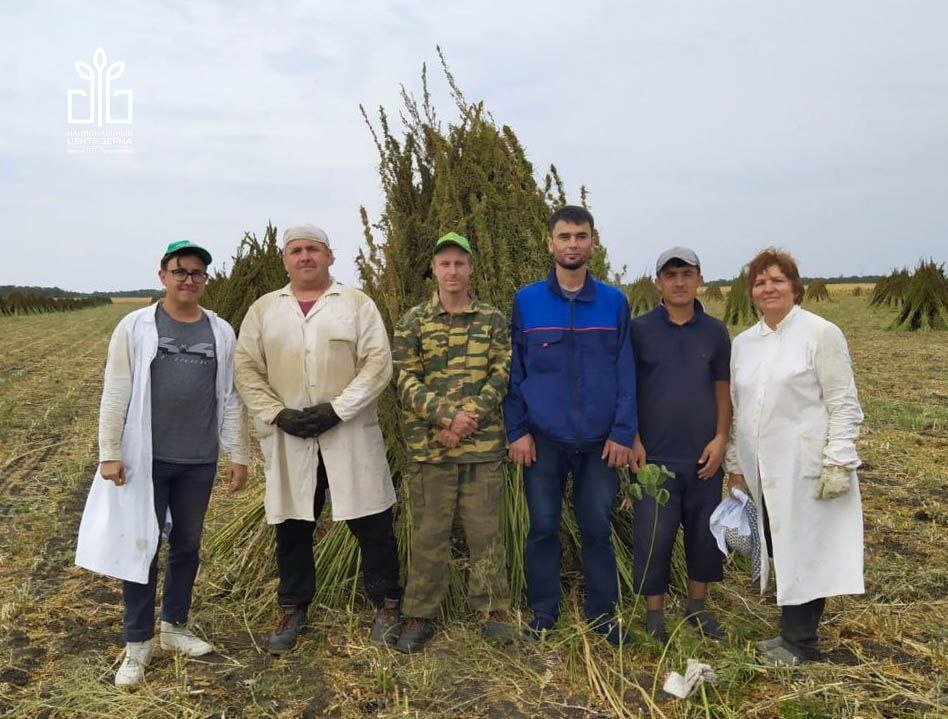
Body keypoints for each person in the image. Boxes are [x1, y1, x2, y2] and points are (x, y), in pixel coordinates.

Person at [75, 240, 250, 687]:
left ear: (205, 280)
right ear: (163, 276)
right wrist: (109, 452)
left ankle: (174, 627)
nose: (188, 279)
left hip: (198, 461)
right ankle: (137, 644)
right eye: (180, 271)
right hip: (146, 460)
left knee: (187, 546)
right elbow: (116, 389)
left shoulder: (220, 331)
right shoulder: (136, 326)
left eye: (197, 273)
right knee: (143, 547)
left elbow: (230, 396)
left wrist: (238, 454)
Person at [234, 223, 402, 654]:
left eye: (313, 249)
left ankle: (386, 603)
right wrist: (278, 414)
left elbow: (378, 363)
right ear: (285, 260)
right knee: (292, 525)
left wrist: (337, 409)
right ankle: (293, 607)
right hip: (290, 437)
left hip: (348, 433)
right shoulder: (264, 310)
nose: (305, 256)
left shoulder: (356, 304)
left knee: (372, 522)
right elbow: (246, 368)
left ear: (329, 256)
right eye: (296, 250)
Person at [725, 247, 865, 665]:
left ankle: (801, 643)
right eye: (760, 282)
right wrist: (736, 465)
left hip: (806, 465)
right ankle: (790, 632)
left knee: (806, 547)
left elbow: (843, 402)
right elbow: (738, 409)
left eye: (777, 280)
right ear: (751, 292)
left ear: (795, 287)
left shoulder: (820, 333)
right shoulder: (744, 344)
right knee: (779, 543)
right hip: (762, 467)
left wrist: (838, 460)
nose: (768, 288)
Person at [504, 205, 637, 646]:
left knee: (596, 527)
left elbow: (626, 373)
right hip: (543, 440)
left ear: (593, 243)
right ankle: (543, 611)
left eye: (581, 236)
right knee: (543, 526)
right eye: (564, 236)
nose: (573, 244)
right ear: (550, 244)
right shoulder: (527, 302)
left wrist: (622, 432)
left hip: (600, 442)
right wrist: (517, 430)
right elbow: (515, 372)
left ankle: (603, 615)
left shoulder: (614, 303)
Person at [391, 232, 514, 653]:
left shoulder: (492, 320)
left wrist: (466, 420)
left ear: (471, 268)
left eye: (460, 263)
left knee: (486, 533)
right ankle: (419, 614)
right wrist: (446, 418)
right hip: (431, 448)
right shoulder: (413, 322)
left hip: (481, 448)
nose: (453, 271)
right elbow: (405, 380)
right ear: (434, 269)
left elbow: (501, 375)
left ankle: (493, 610)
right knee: (429, 534)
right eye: (445, 263)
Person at [630, 247, 732, 643]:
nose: (679, 282)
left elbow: (723, 389)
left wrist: (721, 439)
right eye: (670, 275)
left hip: (703, 457)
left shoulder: (715, 332)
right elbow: (627, 389)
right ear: (658, 282)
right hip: (653, 457)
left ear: (699, 279)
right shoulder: (639, 331)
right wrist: (634, 439)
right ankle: (654, 613)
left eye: (687, 274)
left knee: (704, 535)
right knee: (653, 536)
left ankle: (697, 607)